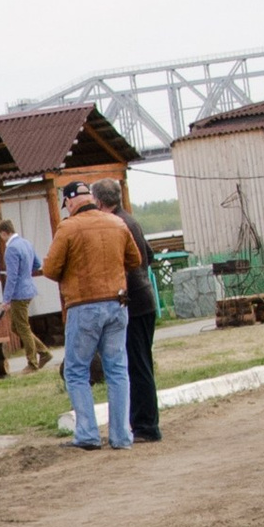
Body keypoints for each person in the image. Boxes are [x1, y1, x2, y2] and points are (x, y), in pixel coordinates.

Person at [43, 184, 151, 452]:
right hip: (118, 303)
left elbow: (50, 268)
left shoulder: (68, 228)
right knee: (117, 370)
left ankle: (88, 434)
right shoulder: (116, 223)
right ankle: (121, 436)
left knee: (76, 371)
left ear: (69, 202)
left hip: (84, 306)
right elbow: (134, 259)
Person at [95, 183, 162, 441]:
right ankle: (142, 423)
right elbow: (151, 254)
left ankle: (146, 426)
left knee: (138, 365)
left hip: (135, 304)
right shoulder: (128, 220)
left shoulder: (118, 224)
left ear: (100, 202)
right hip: (143, 300)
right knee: (138, 363)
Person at [0, 216, 44, 370]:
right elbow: (37, 264)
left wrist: (6, 299)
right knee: (16, 327)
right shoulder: (26, 243)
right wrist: (26, 274)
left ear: (4, 233)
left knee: (23, 327)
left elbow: (12, 277)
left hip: (19, 293)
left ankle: (32, 362)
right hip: (29, 288)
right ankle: (43, 351)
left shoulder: (11, 249)